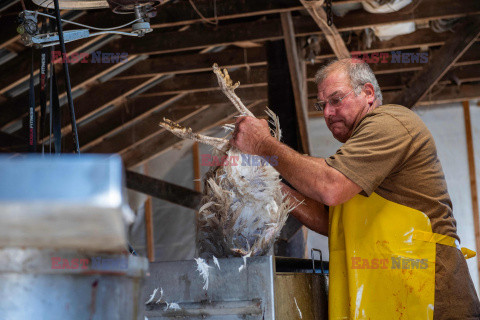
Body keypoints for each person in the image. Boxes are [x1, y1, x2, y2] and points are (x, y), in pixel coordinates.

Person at [229, 58, 480, 319]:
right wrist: (268, 183)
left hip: (431, 298)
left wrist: (262, 144)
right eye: (322, 105)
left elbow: (329, 186)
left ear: (368, 93)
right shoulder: (358, 156)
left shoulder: (391, 121)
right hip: (391, 296)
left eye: (336, 100)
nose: (326, 112)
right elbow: (330, 219)